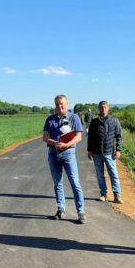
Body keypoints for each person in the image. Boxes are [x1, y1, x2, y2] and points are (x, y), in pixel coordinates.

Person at [43, 95, 86, 224]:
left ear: (67, 104)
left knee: (75, 183)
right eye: (57, 104)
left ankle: (80, 211)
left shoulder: (74, 118)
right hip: (53, 153)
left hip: (68, 153)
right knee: (58, 183)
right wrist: (54, 143)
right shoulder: (50, 119)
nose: (59, 106)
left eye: (61, 104)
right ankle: (61, 209)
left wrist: (66, 145)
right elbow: (45, 137)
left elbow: (79, 136)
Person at [87, 101, 123, 204]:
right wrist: (89, 150)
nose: (103, 109)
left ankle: (117, 195)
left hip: (109, 153)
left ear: (108, 108)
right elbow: (90, 137)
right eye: (101, 107)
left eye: (105, 107)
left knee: (114, 174)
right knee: (100, 174)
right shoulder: (94, 122)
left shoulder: (114, 121)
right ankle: (103, 194)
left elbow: (119, 136)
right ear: (98, 109)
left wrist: (118, 150)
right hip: (97, 153)